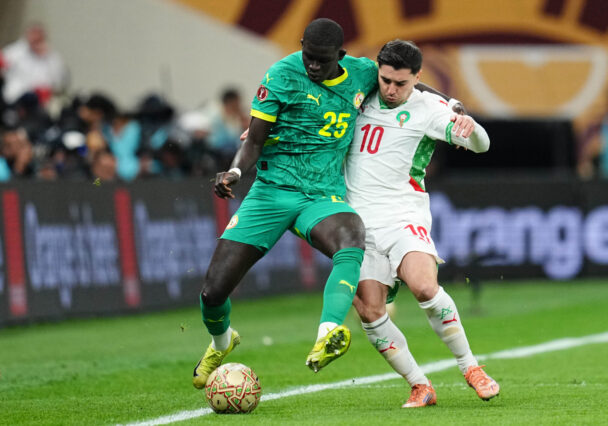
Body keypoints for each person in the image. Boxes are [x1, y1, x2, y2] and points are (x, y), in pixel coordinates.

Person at [193, 18, 389, 389]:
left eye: (321, 60)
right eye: (307, 56)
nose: (312, 65)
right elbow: (254, 141)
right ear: (301, 46)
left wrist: (450, 106)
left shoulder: (363, 73)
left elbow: (406, 83)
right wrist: (234, 172)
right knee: (212, 292)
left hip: (322, 194)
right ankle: (222, 342)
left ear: (340, 56)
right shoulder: (281, 76)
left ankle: (328, 333)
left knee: (351, 237)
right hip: (271, 192)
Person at [345, 40, 498, 407]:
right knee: (369, 311)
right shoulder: (358, 95)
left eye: (400, 83)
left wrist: (470, 125)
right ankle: (419, 384)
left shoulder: (430, 109)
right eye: (385, 80)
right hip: (355, 222)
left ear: (417, 77)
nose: (391, 89)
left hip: (403, 214)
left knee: (425, 287)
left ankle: (471, 367)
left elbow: (482, 145)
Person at [1, 23, 67, 106]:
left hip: (40, 101)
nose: (35, 40)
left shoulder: (52, 57)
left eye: (38, 38)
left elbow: (59, 82)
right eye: (33, 35)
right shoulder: (16, 51)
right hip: (15, 97)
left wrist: (44, 56)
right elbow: (2, 63)